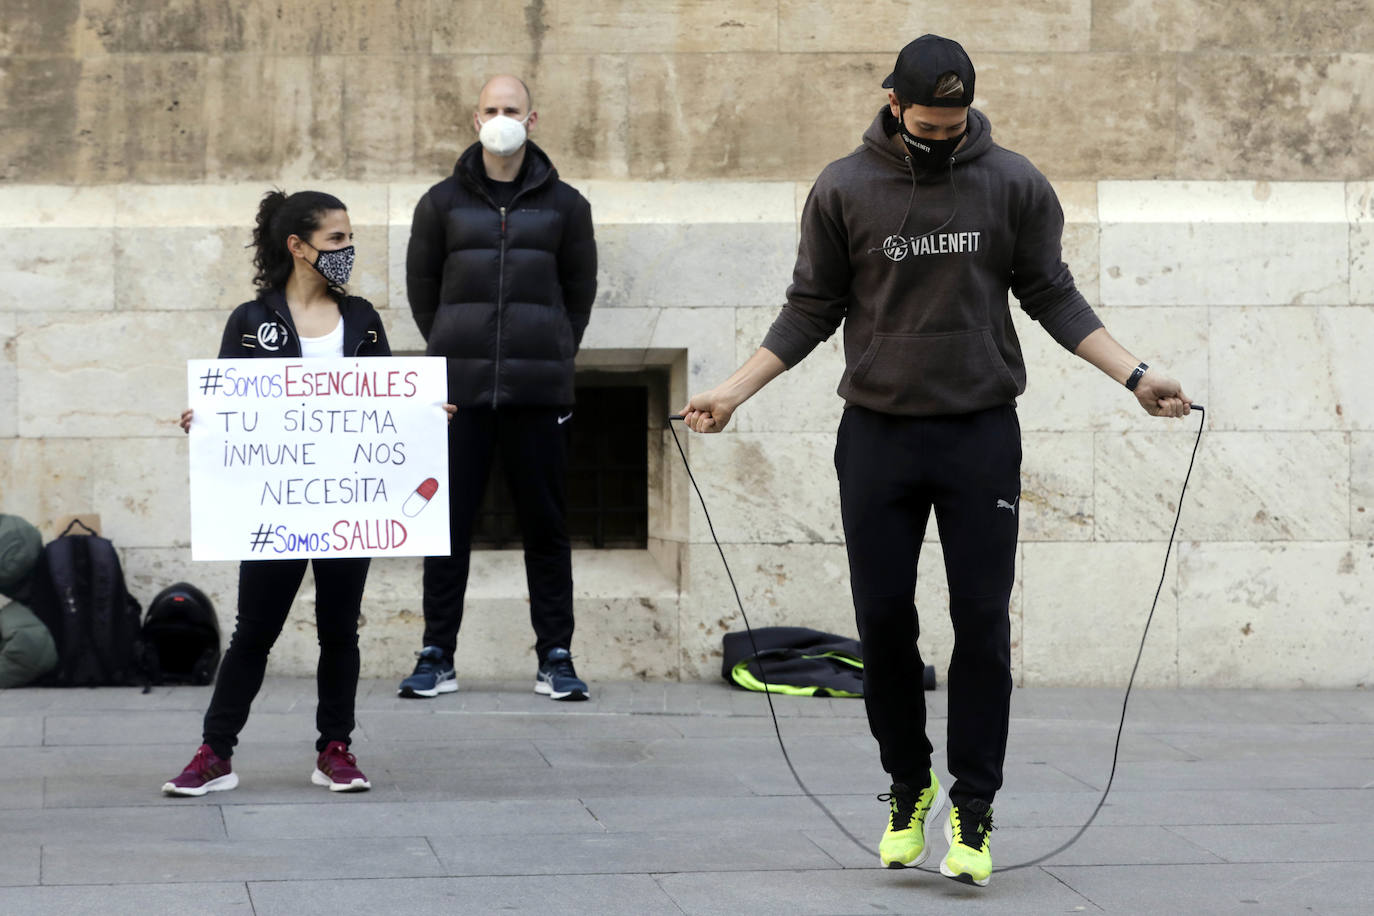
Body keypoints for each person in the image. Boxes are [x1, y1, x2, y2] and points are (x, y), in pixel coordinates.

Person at [679, 35, 1192, 887]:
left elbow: (1052, 293)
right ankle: (907, 787)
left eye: (954, 125)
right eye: (926, 123)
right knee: (884, 625)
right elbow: (809, 307)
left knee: (983, 628)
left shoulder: (1013, 182)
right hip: (877, 436)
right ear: (893, 106)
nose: (941, 137)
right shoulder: (844, 187)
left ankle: (978, 809)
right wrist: (734, 391)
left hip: (980, 433)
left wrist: (1136, 375)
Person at [164, 189, 454, 796]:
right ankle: (214, 753)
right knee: (253, 632)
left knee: (339, 629)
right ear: (298, 247)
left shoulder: (363, 320)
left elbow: (384, 403)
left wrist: (427, 415)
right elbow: (230, 405)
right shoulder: (250, 321)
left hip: (348, 507)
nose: (347, 251)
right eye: (336, 240)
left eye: (350, 239)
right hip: (276, 509)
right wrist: (206, 419)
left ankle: (335, 749)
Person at [399, 75, 598, 702]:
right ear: (474, 117)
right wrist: (457, 354)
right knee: (446, 526)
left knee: (546, 526)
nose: (500, 118)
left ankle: (556, 656)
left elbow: (579, 294)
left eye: (511, 109)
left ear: (531, 120)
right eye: (491, 109)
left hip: (539, 393)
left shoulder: (567, 205)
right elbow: (422, 292)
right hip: (458, 397)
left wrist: (552, 352)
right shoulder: (439, 203)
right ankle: (437, 653)